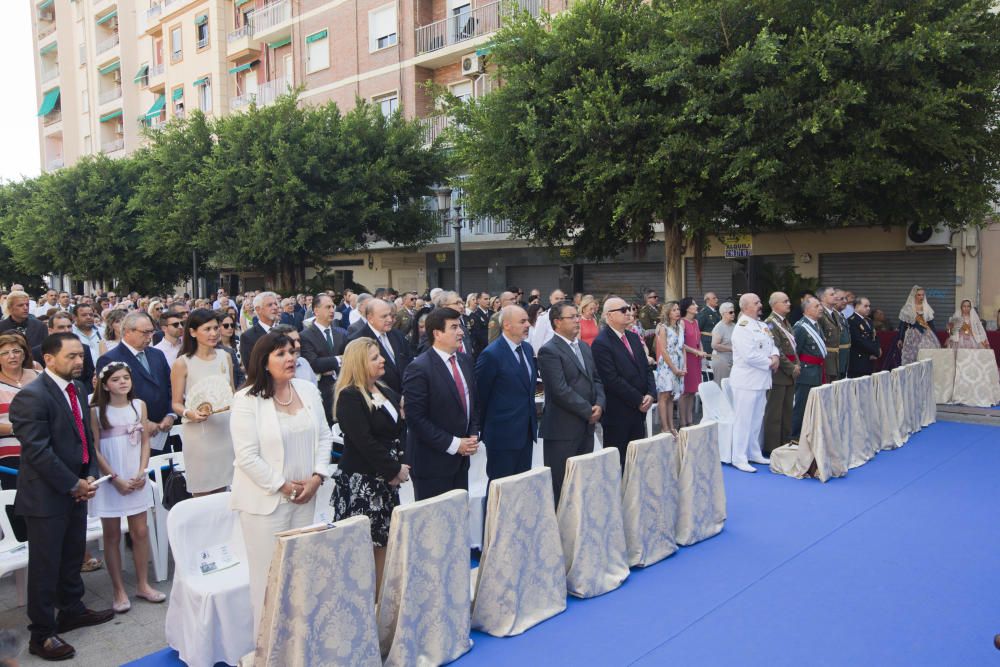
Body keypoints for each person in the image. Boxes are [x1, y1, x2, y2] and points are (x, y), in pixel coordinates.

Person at [9, 333, 114, 661]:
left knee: (71, 556)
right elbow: (38, 452)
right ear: (49, 359)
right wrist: (73, 483)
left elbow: (84, 436)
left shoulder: (78, 389)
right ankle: (41, 633)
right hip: (46, 497)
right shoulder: (31, 397)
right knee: (45, 565)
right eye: (71, 356)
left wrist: (90, 473)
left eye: (81, 355)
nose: (79, 362)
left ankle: (71, 609)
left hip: (75, 490)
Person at [229, 331, 332, 637]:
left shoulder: (307, 390)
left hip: (307, 496)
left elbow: (325, 435)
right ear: (263, 361)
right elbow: (246, 456)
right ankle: (268, 646)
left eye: (292, 352)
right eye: (281, 354)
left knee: (301, 574)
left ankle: (299, 641)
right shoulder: (246, 399)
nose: (290, 358)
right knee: (268, 578)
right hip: (266, 503)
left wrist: (317, 477)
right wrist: (285, 486)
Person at [332, 338, 407, 594]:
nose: (382, 360)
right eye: (374, 358)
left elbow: (399, 431)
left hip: (384, 481)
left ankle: (381, 599)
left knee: (385, 542)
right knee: (364, 546)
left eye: (380, 355)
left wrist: (400, 463)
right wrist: (394, 470)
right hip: (362, 483)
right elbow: (364, 441)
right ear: (360, 363)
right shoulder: (350, 396)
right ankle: (363, 599)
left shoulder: (385, 390)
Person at [88, 362, 164, 613]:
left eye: (126, 378)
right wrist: (114, 477)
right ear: (105, 384)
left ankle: (143, 584)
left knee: (140, 531)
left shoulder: (138, 405)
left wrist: (142, 471)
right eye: (116, 379)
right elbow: (96, 448)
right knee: (111, 534)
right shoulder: (97, 410)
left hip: (135, 474)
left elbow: (144, 442)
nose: (122, 382)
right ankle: (118, 589)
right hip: (112, 477)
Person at [402, 307, 479, 501]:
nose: (461, 331)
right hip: (432, 465)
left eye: (460, 326)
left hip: (461, 462)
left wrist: (473, 433)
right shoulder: (419, 368)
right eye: (454, 327)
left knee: (459, 520)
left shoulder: (465, 361)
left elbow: (472, 403)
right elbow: (415, 419)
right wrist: (454, 444)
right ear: (437, 333)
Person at [537, 302, 604, 504]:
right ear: (557, 322)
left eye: (577, 316)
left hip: (586, 427)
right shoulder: (549, 350)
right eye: (572, 317)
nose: (577, 320)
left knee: (583, 483)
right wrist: (587, 410)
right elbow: (559, 390)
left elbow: (597, 379)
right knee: (563, 487)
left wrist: (600, 404)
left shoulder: (583, 346)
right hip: (562, 430)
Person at [170, 309, 234, 496]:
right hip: (200, 434)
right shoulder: (183, 363)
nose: (214, 333)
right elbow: (176, 403)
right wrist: (190, 413)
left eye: (216, 328)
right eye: (207, 329)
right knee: (203, 492)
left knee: (227, 491)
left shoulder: (226, 357)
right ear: (192, 332)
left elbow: (231, 392)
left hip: (225, 431)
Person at [97, 313, 176, 454]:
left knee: (164, 474)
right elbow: (109, 401)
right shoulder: (110, 359)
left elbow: (171, 387)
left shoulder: (157, 354)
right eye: (145, 332)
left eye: (152, 331)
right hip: (131, 437)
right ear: (128, 331)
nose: (150, 336)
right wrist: (143, 422)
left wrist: (170, 414)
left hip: (162, 431)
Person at [476, 305, 538, 482]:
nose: (527, 324)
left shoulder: (526, 349)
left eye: (528, 320)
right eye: (522, 321)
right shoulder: (491, 355)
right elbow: (481, 396)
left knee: (521, 487)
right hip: (502, 435)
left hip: (525, 431)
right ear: (507, 325)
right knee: (501, 487)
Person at [591, 297, 656, 467]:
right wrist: (638, 399)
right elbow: (611, 379)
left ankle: (634, 492)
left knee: (636, 460)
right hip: (618, 412)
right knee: (617, 462)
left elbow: (646, 368)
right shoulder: (601, 343)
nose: (628, 312)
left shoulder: (633, 338)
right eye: (623, 310)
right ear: (608, 315)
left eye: (628, 309)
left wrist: (650, 393)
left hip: (638, 410)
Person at [727, 293, 779, 472]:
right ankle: (739, 457)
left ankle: (753, 452)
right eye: (756, 303)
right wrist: (770, 362)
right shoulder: (742, 327)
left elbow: (772, 344)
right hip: (746, 380)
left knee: (756, 419)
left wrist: (775, 355)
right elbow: (749, 355)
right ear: (745, 307)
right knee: (744, 420)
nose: (760, 305)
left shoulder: (762, 325)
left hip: (762, 379)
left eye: (759, 301)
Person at [0, 334, 41, 542]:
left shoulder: (38, 374)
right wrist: (18, 429)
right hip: (10, 456)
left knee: (47, 507)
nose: (11, 356)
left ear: (24, 352)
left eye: (16, 351)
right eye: (5, 353)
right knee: (18, 509)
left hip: (44, 449)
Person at [298, 294, 346, 426]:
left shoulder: (340, 333)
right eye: (327, 307)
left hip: (343, 390)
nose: (332, 310)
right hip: (323, 393)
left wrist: (329, 363)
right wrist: (338, 360)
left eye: (333, 307)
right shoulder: (305, 335)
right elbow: (314, 364)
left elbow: (349, 359)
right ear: (316, 310)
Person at [348, 299, 411, 394]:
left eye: (390, 315)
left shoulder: (398, 335)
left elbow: (408, 362)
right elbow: (359, 378)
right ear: (370, 318)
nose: (390, 319)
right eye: (384, 316)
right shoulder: (357, 341)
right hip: (380, 399)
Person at [763, 292, 799, 456]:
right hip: (779, 373)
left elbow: (792, 347)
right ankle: (772, 447)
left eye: (788, 300)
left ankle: (784, 443)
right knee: (775, 412)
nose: (789, 304)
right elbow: (776, 349)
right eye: (785, 301)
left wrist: (796, 364)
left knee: (787, 411)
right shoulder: (770, 323)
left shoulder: (785, 322)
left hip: (790, 372)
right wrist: (791, 367)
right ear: (775, 304)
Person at [791, 296, 827, 440]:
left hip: (817, 370)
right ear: (807, 310)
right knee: (801, 406)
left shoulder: (816, 325)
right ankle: (796, 435)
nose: (820, 308)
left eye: (820, 305)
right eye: (816, 306)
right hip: (806, 372)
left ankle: (809, 433)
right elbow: (795, 352)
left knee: (813, 406)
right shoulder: (800, 327)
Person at [32, 313, 94, 394]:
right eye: (61, 327)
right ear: (50, 330)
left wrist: (82, 394)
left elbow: (89, 377)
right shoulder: (37, 352)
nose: (67, 330)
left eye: (69, 326)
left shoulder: (84, 348)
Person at [654, 301, 685, 436]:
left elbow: (683, 347)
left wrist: (684, 366)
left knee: (672, 396)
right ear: (668, 312)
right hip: (667, 364)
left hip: (678, 362)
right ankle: (664, 427)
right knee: (664, 395)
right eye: (674, 310)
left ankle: (672, 426)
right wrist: (673, 368)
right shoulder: (663, 328)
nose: (677, 312)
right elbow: (664, 351)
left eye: (678, 309)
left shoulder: (680, 327)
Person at [896, 285, 940, 365]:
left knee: (925, 357)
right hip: (912, 336)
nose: (921, 297)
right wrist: (900, 338)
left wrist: (935, 338)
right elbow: (903, 325)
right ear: (914, 296)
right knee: (912, 357)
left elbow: (931, 325)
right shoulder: (908, 308)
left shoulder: (927, 307)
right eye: (919, 295)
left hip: (926, 335)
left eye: (923, 295)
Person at [679, 297, 706, 426]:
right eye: (693, 304)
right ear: (687, 308)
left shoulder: (695, 321)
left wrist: (701, 350)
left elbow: (698, 339)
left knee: (692, 391)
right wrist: (696, 352)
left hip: (696, 359)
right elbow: (681, 344)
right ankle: (683, 422)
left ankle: (690, 420)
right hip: (687, 359)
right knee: (685, 392)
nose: (696, 306)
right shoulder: (682, 322)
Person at [239, 291, 280, 367]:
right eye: (270, 305)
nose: (275, 307)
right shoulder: (248, 337)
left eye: (276, 304)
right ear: (258, 309)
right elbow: (251, 368)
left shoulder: (283, 331)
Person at [847, 297, 881, 377]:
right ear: (856, 307)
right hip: (859, 361)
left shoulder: (868, 320)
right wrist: (875, 351)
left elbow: (874, 336)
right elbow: (859, 341)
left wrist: (878, 349)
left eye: (869, 306)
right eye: (865, 306)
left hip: (870, 359)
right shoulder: (852, 321)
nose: (868, 308)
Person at [816, 287, 843, 383]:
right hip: (826, 360)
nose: (836, 296)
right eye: (832, 295)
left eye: (835, 294)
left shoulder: (835, 314)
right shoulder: (820, 314)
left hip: (835, 359)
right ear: (823, 298)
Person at [216, 309, 245, 388]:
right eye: (226, 326)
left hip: (238, 383)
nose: (230, 328)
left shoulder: (238, 344)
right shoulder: (214, 347)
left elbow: (243, 366)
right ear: (218, 327)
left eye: (232, 325)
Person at [709, 302, 736, 385]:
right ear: (723, 314)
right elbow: (714, 345)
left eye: (733, 312)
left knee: (732, 386)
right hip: (721, 360)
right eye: (730, 312)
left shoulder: (734, 325)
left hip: (732, 360)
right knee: (723, 386)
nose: (733, 314)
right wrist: (732, 348)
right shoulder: (719, 327)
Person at [696, 292, 721, 356]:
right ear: (707, 300)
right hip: (708, 343)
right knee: (709, 363)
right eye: (714, 298)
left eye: (716, 298)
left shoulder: (716, 311)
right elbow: (698, 328)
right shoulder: (704, 312)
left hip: (716, 342)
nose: (717, 300)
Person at [834, 290, 852, 378]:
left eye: (845, 298)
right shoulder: (831, 316)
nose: (845, 301)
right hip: (836, 360)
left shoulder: (842, 316)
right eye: (841, 299)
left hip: (844, 358)